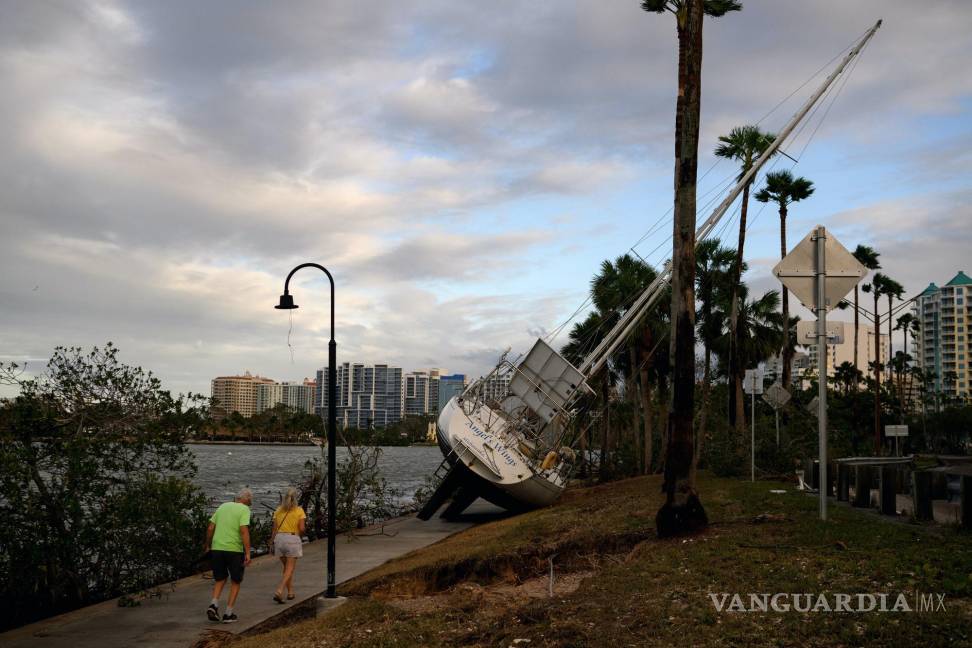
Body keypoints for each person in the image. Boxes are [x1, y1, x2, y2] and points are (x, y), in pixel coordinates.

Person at [204, 488, 252, 623]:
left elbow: (210, 528)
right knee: (236, 581)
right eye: (250, 500)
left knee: (220, 578)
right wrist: (248, 552)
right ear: (246, 499)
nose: (250, 503)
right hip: (234, 550)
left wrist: (208, 545)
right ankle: (228, 614)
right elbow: (243, 531)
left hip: (217, 548)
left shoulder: (223, 506)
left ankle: (214, 604)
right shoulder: (244, 509)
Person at [270, 487, 306, 603]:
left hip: (279, 539)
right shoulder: (299, 510)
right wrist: (299, 536)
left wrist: (271, 542)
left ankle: (290, 592)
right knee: (290, 568)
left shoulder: (278, 510)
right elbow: (302, 528)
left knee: (286, 568)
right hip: (292, 538)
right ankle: (280, 590)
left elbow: (274, 529)